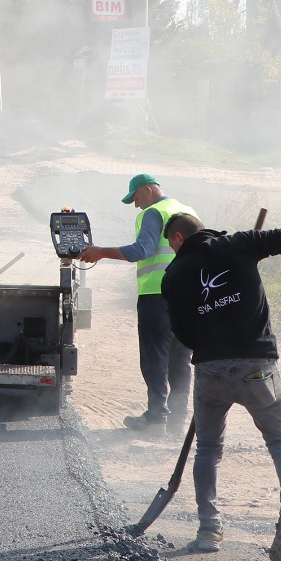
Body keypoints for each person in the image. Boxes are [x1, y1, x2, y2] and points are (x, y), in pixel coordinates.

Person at [161, 212, 281, 561]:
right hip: (258, 368)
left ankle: (209, 530)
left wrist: (210, 341)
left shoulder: (173, 276)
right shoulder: (240, 244)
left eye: (170, 244)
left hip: (211, 371)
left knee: (208, 449)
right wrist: (257, 244)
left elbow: (182, 334)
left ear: (178, 238)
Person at [79, 172, 197, 431]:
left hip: (157, 296)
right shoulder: (187, 211)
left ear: (147, 190)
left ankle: (156, 418)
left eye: (135, 197)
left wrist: (100, 252)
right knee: (180, 359)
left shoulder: (153, 213)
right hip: (189, 297)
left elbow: (141, 251)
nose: (135, 204)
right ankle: (177, 422)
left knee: (155, 358)